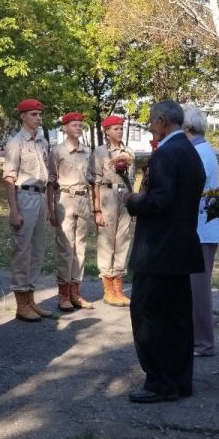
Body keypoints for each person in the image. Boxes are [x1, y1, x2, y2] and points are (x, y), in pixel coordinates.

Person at [124, 100, 206, 403]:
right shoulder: (189, 151)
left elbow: (160, 201)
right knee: (177, 318)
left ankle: (159, 382)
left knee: (148, 314)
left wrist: (132, 200)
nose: (149, 126)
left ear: (161, 121)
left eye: (150, 121)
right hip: (180, 247)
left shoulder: (167, 154)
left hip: (158, 250)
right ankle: (179, 380)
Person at [3, 98, 53, 322]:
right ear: (23, 116)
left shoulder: (41, 142)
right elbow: (8, 178)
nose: (38, 118)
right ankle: (21, 302)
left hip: (40, 196)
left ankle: (31, 298)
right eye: (33, 114)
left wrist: (50, 207)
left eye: (40, 114)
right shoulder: (17, 143)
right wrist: (14, 210)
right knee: (22, 250)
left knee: (36, 250)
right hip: (24, 196)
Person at [182, 105, 219, 357]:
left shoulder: (199, 152)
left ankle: (203, 342)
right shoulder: (201, 149)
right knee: (193, 287)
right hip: (201, 228)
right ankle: (197, 339)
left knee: (198, 289)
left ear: (187, 128)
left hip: (202, 229)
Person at [48, 112, 95, 312]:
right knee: (66, 247)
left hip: (83, 198)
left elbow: (92, 178)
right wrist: (50, 208)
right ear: (65, 128)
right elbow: (51, 180)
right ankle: (63, 293)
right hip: (65, 199)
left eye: (80, 125)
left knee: (80, 248)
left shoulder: (88, 151)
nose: (78, 127)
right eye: (74, 124)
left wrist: (95, 205)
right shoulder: (57, 151)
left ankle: (76, 291)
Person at [90, 114, 136, 306]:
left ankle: (118, 286)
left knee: (123, 240)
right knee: (107, 241)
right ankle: (108, 288)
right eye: (115, 128)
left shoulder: (129, 152)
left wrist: (133, 205)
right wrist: (97, 210)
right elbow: (95, 182)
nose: (119, 131)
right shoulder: (100, 152)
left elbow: (132, 180)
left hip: (124, 196)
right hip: (107, 195)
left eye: (121, 128)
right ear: (107, 131)